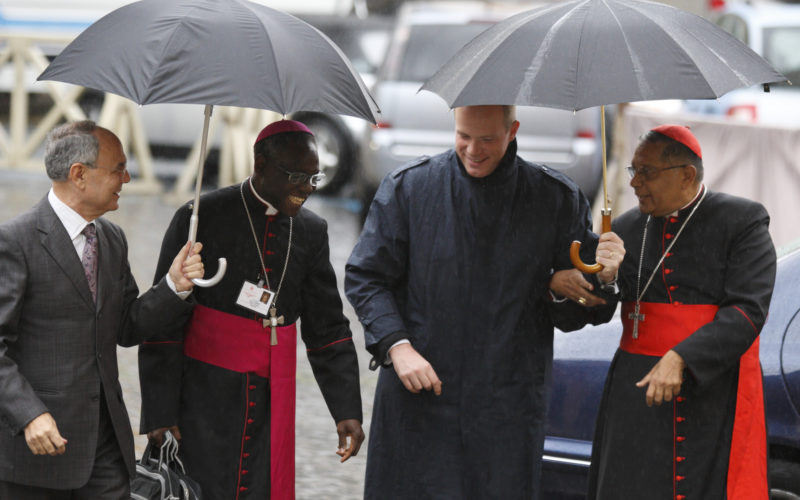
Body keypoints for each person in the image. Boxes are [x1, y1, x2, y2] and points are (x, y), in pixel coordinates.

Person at [344, 105, 624, 499]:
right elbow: (366, 276)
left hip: (506, 407)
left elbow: (585, 307)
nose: (473, 149)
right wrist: (397, 345)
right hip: (421, 399)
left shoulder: (555, 198)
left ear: (513, 131)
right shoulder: (409, 188)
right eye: (463, 136)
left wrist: (602, 278)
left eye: (487, 139)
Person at [138, 119, 365, 500]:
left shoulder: (311, 231)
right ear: (260, 165)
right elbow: (164, 322)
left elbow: (327, 327)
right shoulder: (200, 218)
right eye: (296, 176)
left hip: (270, 402)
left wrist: (346, 409)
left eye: (314, 178)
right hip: (201, 398)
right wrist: (159, 411)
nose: (306, 189)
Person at [551, 125, 776, 499]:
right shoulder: (624, 228)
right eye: (633, 171)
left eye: (647, 171)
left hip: (710, 388)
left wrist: (683, 357)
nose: (636, 182)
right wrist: (596, 281)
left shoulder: (742, 221)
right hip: (635, 391)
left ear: (687, 174)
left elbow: (748, 310)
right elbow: (585, 315)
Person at [0, 120, 204, 499]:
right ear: (79, 174)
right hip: (37, 451)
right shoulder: (16, 241)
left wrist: (174, 286)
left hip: (106, 447)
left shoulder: (112, 239)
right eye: (117, 168)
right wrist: (28, 413)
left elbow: (127, 327)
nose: (126, 177)